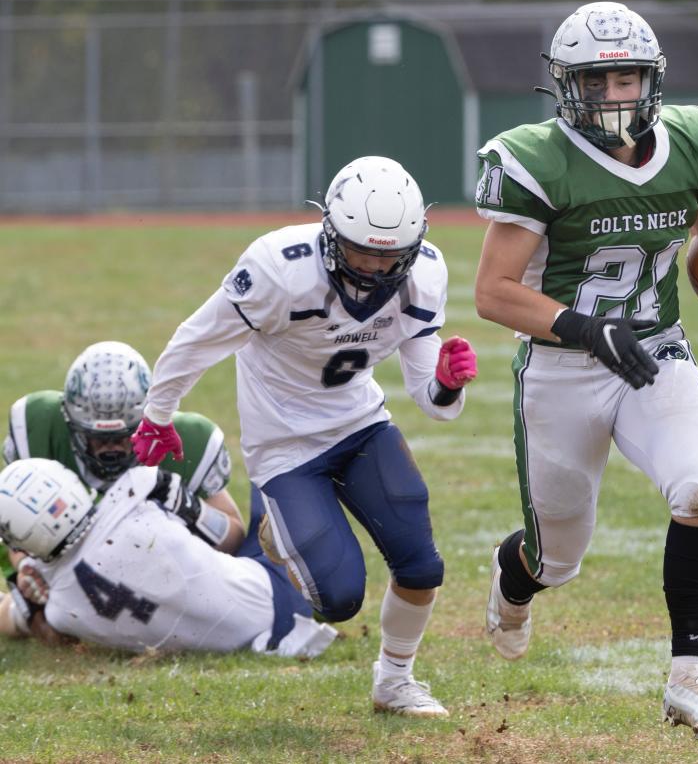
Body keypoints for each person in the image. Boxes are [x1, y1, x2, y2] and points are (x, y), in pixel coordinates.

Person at [474, 2, 698, 741]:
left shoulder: (691, 142)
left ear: (653, 79)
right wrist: (583, 327)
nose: (616, 92)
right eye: (599, 78)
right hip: (562, 367)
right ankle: (516, 579)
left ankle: (690, 680)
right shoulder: (536, 159)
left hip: (654, 350)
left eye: (629, 76)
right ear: (567, 86)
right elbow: (493, 293)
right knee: (558, 557)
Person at [129, 156, 478, 718]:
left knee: (421, 564)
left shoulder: (423, 275)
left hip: (359, 424)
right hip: (284, 445)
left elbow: (435, 406)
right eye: (362, 250)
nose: (372, 268)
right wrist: (158, 413)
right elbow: (198, 339)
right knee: (339, 599)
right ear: (330, 232)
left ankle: (394, 682)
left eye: (389, 256)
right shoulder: (278, 269)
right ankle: (275, 529)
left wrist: (445, 383)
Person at [0, 457, 338, 657]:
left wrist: (29, 573)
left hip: (251, 639)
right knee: (273, 458)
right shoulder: (137, 487)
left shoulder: (60, 612)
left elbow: (12, 616)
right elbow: (227, 536)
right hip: (279, 594)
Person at [2, 340, 246, 572]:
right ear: (70, 423)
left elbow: (234, 539)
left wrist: (190, 508)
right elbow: (10, 526)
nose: (111, 448)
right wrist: (27, 569)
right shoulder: (41, 426)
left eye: (123, 436)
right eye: (97, 437)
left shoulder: (189, 440)